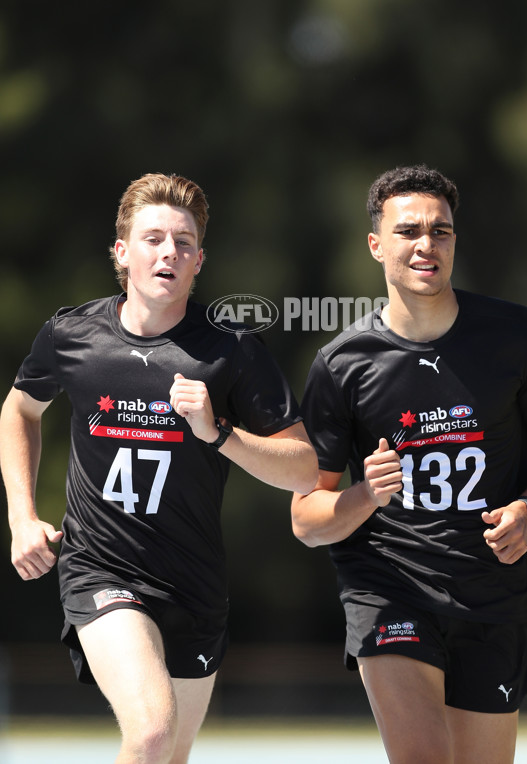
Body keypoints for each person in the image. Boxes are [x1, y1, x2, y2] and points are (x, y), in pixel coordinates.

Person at [0, 172, 317, 764]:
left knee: (168, 753)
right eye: (153, 238)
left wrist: (220, 434)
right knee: (150, 730)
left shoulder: (233, 352)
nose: (169, 251)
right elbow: (19, 409)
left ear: (200, 261)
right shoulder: (72, 335)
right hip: (100, 570)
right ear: (122, 253)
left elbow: (305, 470)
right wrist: (22, 515)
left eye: (184, 242)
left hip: (194, 584)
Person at [291, 165, 527, 764]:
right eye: (408, 231)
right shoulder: (342, 365)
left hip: (491, 594)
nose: (427, 244)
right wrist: (364, 496)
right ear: (376, 245)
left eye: (441, 231)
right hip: (389, 587)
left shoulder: (515, 335)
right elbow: (306, 518)